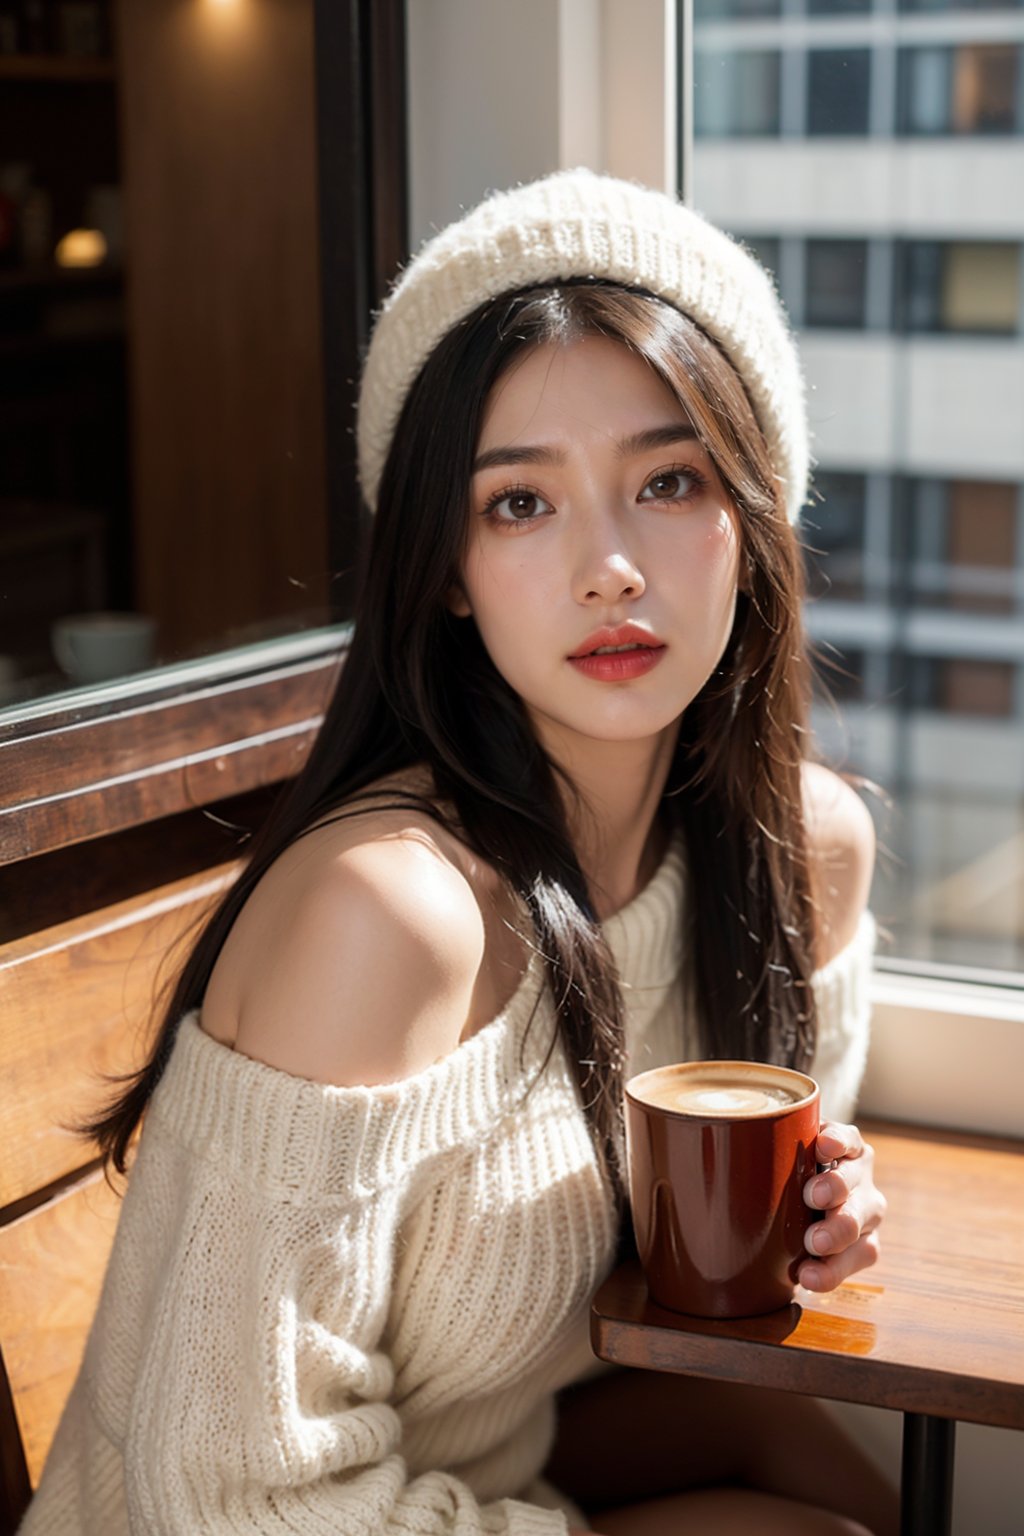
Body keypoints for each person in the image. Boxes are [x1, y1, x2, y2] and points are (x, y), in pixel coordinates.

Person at [21, 169, 895, 1536]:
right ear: (443, 569)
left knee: (817, 1469)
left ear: (755, 514)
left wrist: (817, 1216)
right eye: (519, 506)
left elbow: (711, 1267)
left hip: (483, 1469)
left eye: (668, 480)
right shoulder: (388, 917)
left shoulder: (800, 850)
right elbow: (228, 1494)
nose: (610, 566)